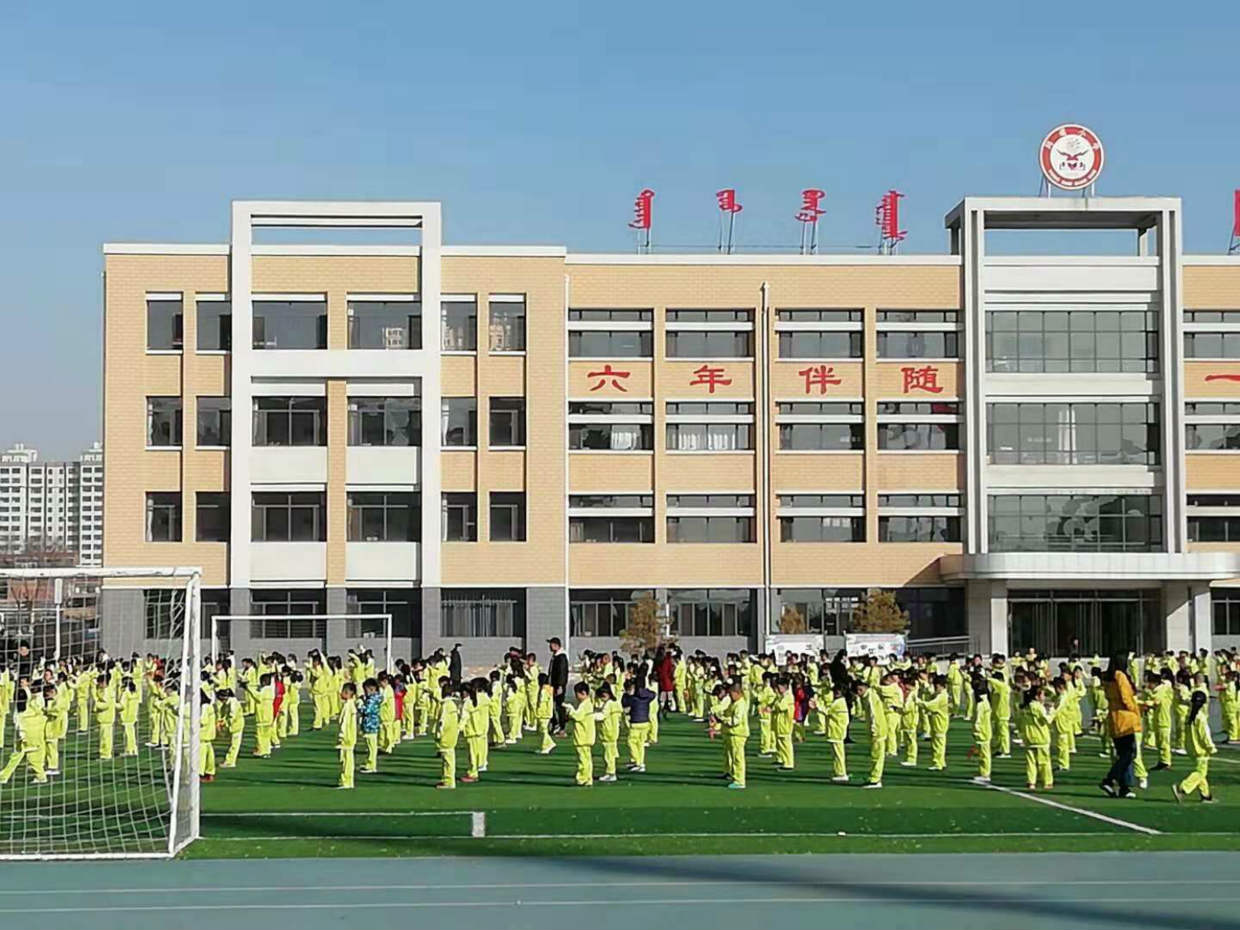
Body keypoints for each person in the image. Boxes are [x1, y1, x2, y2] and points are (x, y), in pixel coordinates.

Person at [1100, 652, 1142, 799]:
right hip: (1125, 718)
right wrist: (1136, 709)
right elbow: (1126, 698)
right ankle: (1109, 779)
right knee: (1129, 754)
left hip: (1114, 717)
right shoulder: (1120, 676)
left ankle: (1124, 787)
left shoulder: (1107, 677)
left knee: (1123, 754)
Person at [1173, 690, 1216, 804]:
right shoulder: (1200, 717)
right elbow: (1204, 735)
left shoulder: (1188, 715)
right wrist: (1211, 747)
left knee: (1201, 772)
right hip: (1201, 749)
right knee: (1200, 772)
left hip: (1191, 747)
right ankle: (1182, 788)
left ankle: (1206, 795)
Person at [855, 677, 887, 789]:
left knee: (877, 755)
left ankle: (875, 779)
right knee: (875, 754)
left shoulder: (871, 697)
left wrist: (874, 729)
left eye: (860, 690)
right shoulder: (867, 696)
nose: (859, 693)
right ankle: (874, 776)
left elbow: (874, 714)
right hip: (875, 728)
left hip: (877, 729)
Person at [718, 680, 749, 789]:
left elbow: (736, 720)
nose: (730, 696)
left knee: (738, 758)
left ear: (737, 693)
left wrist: (723, 720)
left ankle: (740, 781)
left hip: (738, 734)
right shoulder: (735, 703)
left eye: (731, 694)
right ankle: (733, 775)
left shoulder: (740, 704)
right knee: (732, 756)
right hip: (732, 733)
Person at [566, 682, 596, 786]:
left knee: (583, 759)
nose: (576, 697)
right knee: (587, 759)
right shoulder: (589, 703)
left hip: (582, 736)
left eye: (577, 694)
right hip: (588, 735)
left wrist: (570, 710)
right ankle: (588, 778)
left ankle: (582, 778)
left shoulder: (584, 705)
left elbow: (577, 716)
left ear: (583, 693)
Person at [823, 682, 850, 783]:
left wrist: (817, 705)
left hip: (836, 731)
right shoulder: (841, 702)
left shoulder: (838, 702)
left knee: (838, 754)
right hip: (838, 731)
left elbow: (826, 711)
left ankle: (841, 773)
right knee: (837, 754)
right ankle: (838, 772)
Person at [435, 681, 460, 789]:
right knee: (449, 758)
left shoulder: (445, 705)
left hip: (446, 735)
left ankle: (449, 781)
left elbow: (442, 721)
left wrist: (439, 734)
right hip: (452, 734)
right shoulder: (453, 704)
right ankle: (446, 779)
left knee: (447, 759)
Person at [595, 682, 621, 782]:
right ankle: (611, 771)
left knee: (608, 755)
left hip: (608, 732)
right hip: (614, 731)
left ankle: (610, 773)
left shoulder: (608, 704)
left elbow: (602, 716)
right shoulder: (616, 703)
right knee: (612, 754)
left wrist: (590, 716)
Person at [336, 681, 358, 789]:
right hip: (349, 736)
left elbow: (345, 722)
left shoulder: (348, 706)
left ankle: (346, 781)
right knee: (347, 759)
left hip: (347, 737)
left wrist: (342, 734)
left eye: (345, 692)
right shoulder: (349, 705)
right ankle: (347, 780)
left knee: (346, 760)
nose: (342, 693)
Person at [971, 676, 993, 784]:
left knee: (984, 754)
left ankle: (985, 774)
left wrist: (976, 730)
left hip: (982, 732)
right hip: (986, 731)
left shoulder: (980, 704)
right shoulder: (986, 701)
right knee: (984, 753)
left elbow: (978, 720)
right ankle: (984, 772)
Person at [548, 637, 569, 735]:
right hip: (552, 685)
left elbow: (562, 672)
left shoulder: (561, 657)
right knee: (551, 705)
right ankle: (555, 724)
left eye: (551, 644)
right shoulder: (555, 656)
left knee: (559, 706)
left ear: (556, 645)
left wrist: (560, 685)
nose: (550, 646)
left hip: (558, 686)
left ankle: (561, 727)